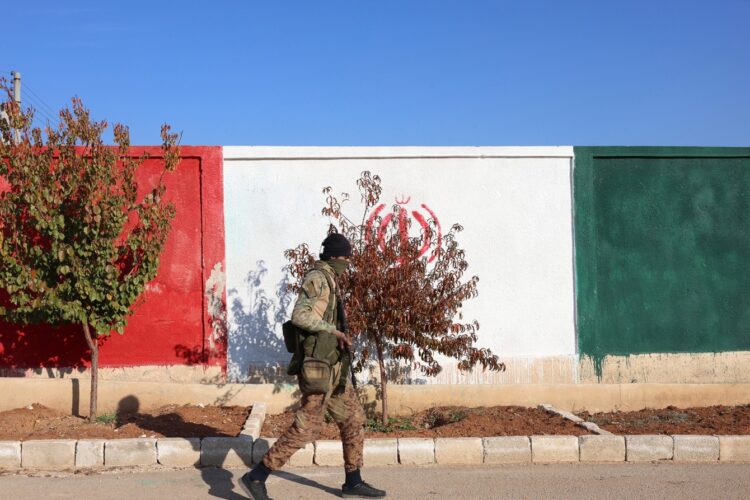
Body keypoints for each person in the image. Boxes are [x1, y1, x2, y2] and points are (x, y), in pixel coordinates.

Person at [240, 233, 387, 500]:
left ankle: (353, 482)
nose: (347, 262)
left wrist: (338, 338)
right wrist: (333, 331)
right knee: (307, 427)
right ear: (333, 256)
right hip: (318, 369)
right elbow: (300, 315)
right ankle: (256, 477)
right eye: (345, 257)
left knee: (354, 419)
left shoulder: (331, 278)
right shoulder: (318, 278)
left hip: (333, 367)